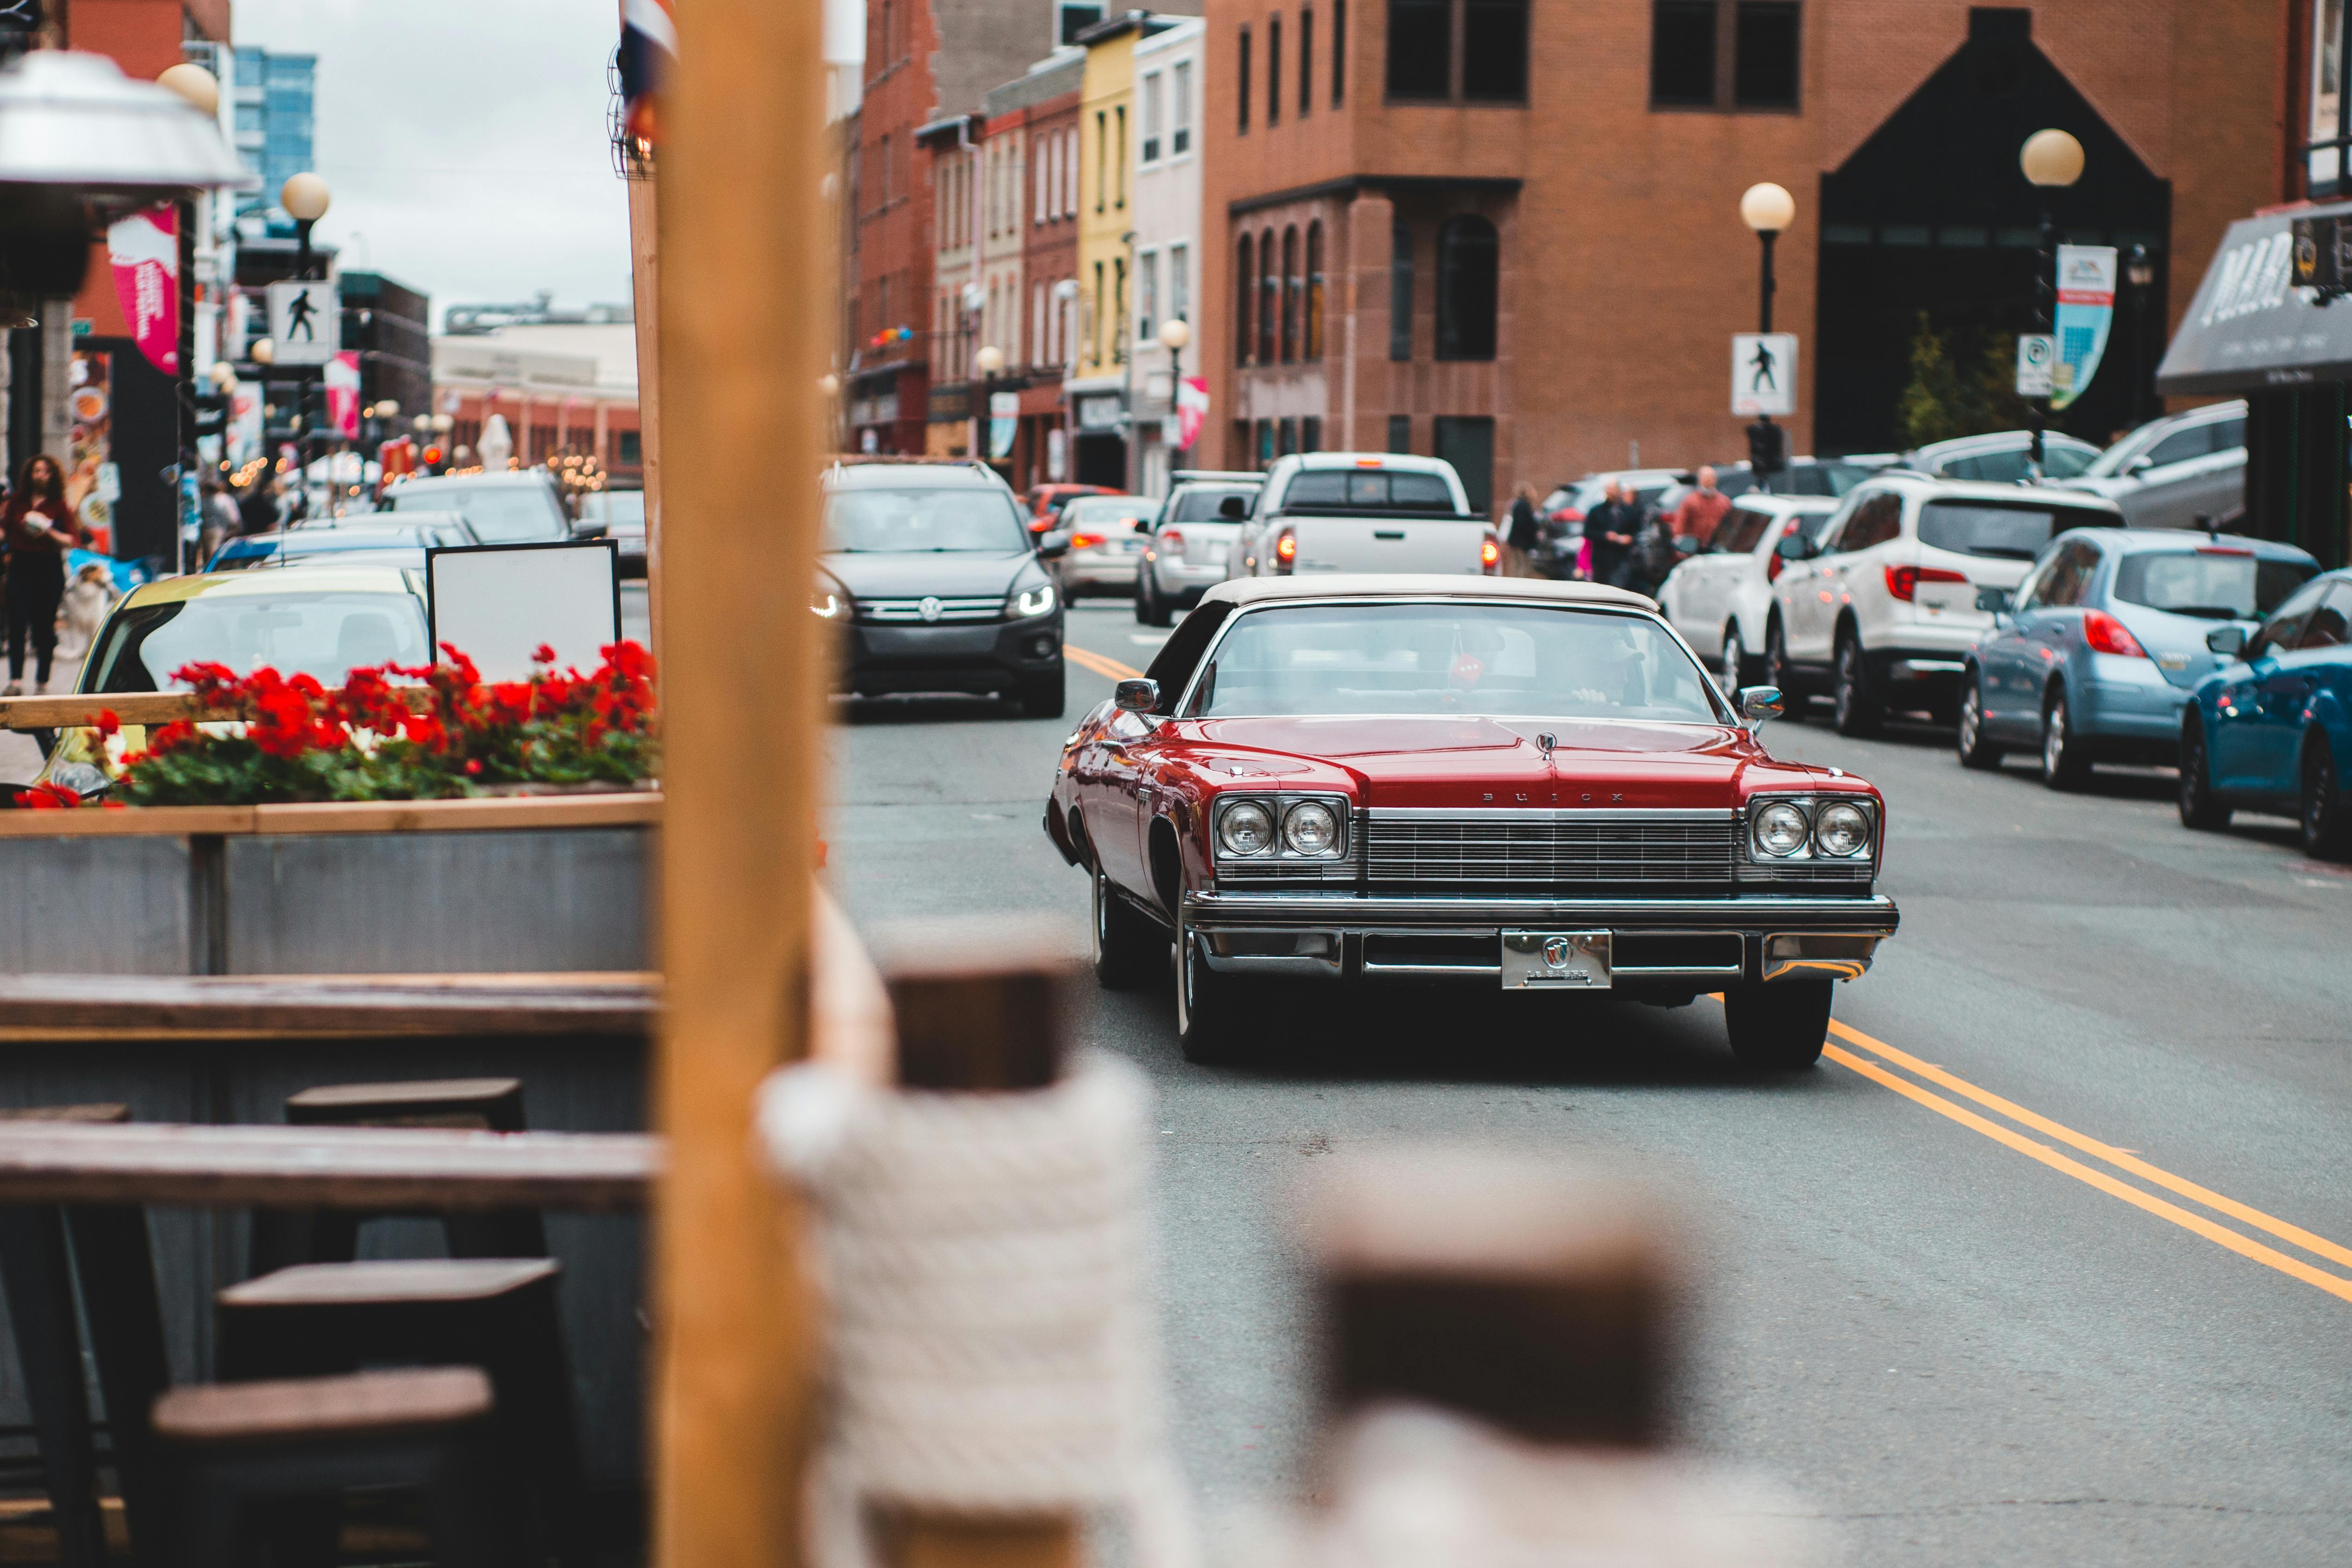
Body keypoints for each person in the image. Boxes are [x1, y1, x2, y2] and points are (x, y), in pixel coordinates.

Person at [2, 454, 87, 696]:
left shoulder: (58, 505)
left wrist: (47, 530)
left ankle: (42, 681)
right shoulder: (18, 501)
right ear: (29, 474)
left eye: (46, 472)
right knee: (17, 622)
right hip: (21, 565)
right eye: (36, 471)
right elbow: (5, 530)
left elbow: (71, 540)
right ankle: (16, 680)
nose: (40, 476)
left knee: (44, 625)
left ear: (53, 476)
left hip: (48, 567)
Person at [1582, 480, 1643, 589]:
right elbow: (1588, 532)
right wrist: (1604, 536)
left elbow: (1638, 532)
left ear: (1619, 492)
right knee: (1601, 589)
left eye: (1614, 491)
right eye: (1609, 491)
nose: (1611, 494)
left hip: (1621, 558)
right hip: (1601, 559)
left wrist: (1630, 539)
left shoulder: (1630, 512)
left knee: (1618, 588)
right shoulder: (1596, 511)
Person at [1670, 465, 1733, 552]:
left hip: (1717, 548)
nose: (1708, 481)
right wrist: (1683, 548)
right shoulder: (1690, 501)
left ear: (1715, 480)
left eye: (1711, 478)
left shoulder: (1724, 502)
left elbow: (1731, 526)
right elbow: (1679, 526)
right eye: (1706, 478)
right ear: (1700, 480)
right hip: (1695, 549)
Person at [1502, 482, 1544, 578]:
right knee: (1522, 567)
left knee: (1517, 565)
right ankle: (1519, 587)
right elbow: (1524, 525)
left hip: (1516, 541)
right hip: (1522, 543)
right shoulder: (1524, 506)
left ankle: (1515, 585)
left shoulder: (1517, 505)